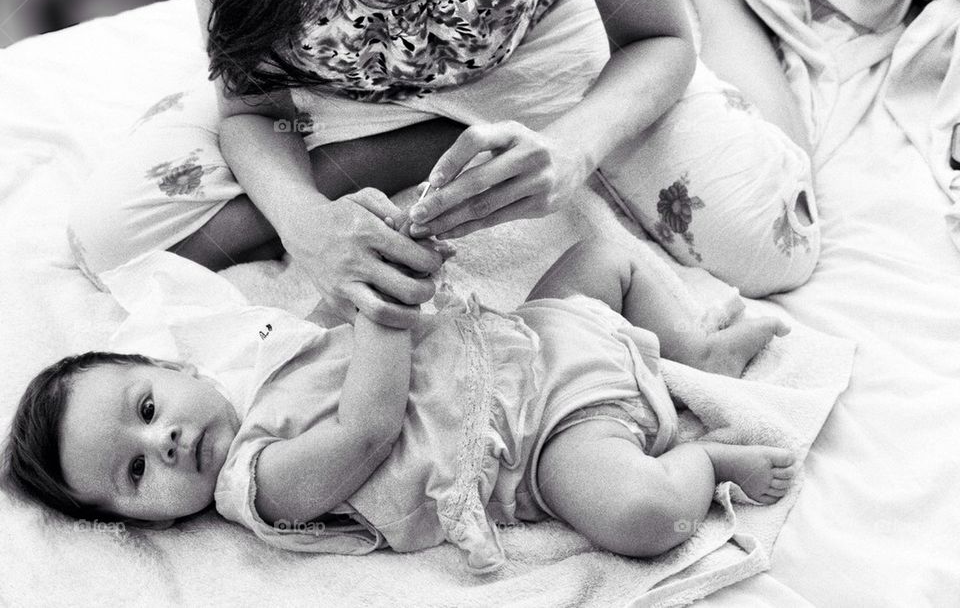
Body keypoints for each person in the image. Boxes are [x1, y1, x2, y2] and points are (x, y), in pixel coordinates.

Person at [66, 0, 819, 329]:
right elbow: (253, 100)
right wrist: (308, 224)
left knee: (770, 242)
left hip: (543, 53)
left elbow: (656, 41)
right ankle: (432, 139)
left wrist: (572, 149)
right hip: (337, 87)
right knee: (111, 241)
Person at [3, 235, 797, 571]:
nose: (167, 443)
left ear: (167, 365)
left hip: (529, 337)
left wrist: (396, 250)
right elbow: (369, 427)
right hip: (541, 439)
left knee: (603, 258)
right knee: (642, 519)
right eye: (136, 472)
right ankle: (701, 459)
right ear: (144, 524)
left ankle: (696, 348)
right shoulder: (255, 483)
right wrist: (385, 299)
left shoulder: (272, 346)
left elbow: (351, 326)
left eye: (146, 410)